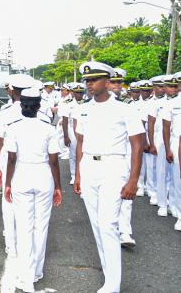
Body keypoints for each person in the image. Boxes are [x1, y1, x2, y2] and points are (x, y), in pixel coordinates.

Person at [74, 61, 143, 293]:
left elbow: (137, 144)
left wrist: (134, 179)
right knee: (96, 226)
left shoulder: (125, 109)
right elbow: (80, 143)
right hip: (89, 166)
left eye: (93, 80)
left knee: (107, 224)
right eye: (86, 81)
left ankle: (113, 284)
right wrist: (78, 175)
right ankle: (109, 275)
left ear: (107, 81)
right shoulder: (84, 108)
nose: (89, 84)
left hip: (114, 166)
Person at [4, 86, 62, 293]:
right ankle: (36, 272)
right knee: (41, 226)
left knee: (24, 227)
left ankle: (26, 276)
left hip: (22, 175)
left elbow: (11, 158)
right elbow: (54, 161)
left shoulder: (13, 127)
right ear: (39, 106)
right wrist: (58, 187)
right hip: (44, 175)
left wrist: (8, 184)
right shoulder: (49, 128)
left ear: (21, 106)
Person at [0, 73, 35, 257]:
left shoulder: (6, 112)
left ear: (11, 90)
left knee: (8, 202)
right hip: (31, 162)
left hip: (8, 160)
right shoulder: (38, 111)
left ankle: (11, 245)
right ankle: (28, 244)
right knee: (29, 204)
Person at [107, 68, 140, 248]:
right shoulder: (93, 104)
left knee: (125, 192)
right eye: (114, 82)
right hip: (104, 157)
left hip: (125, 154)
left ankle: (125, 231)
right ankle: (110, 229)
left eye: (119, 82)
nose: (117, 86)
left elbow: (137, 138)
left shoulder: (129, 105)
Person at [147, 75, 171, 215]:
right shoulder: (153, 103)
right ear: (154, 88)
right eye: (160, 87)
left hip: (173, 137)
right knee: (156, 168)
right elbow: (150, 123)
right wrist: (151, 142)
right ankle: (155, 192)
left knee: (170, 171)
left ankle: (170, 199)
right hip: (158, 137)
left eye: (164, 86)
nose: (163, 89)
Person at [160, 72, 181, 231]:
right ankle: (179, 214)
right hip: (176, 141)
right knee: (177, 178)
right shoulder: (172, 103)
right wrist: (168, 148)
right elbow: (166, 127)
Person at [61, 82, 85, 185]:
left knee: (84, 153)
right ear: (73, 93)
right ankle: (73, 175)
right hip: (71, 128)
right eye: (77, 93)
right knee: (73, 154)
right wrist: (66, 136)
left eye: (81, 92)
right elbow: (65, 120)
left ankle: (83, 174)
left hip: (84, 129)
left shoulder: (87, 102)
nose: (79, 95)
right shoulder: (68, 103)